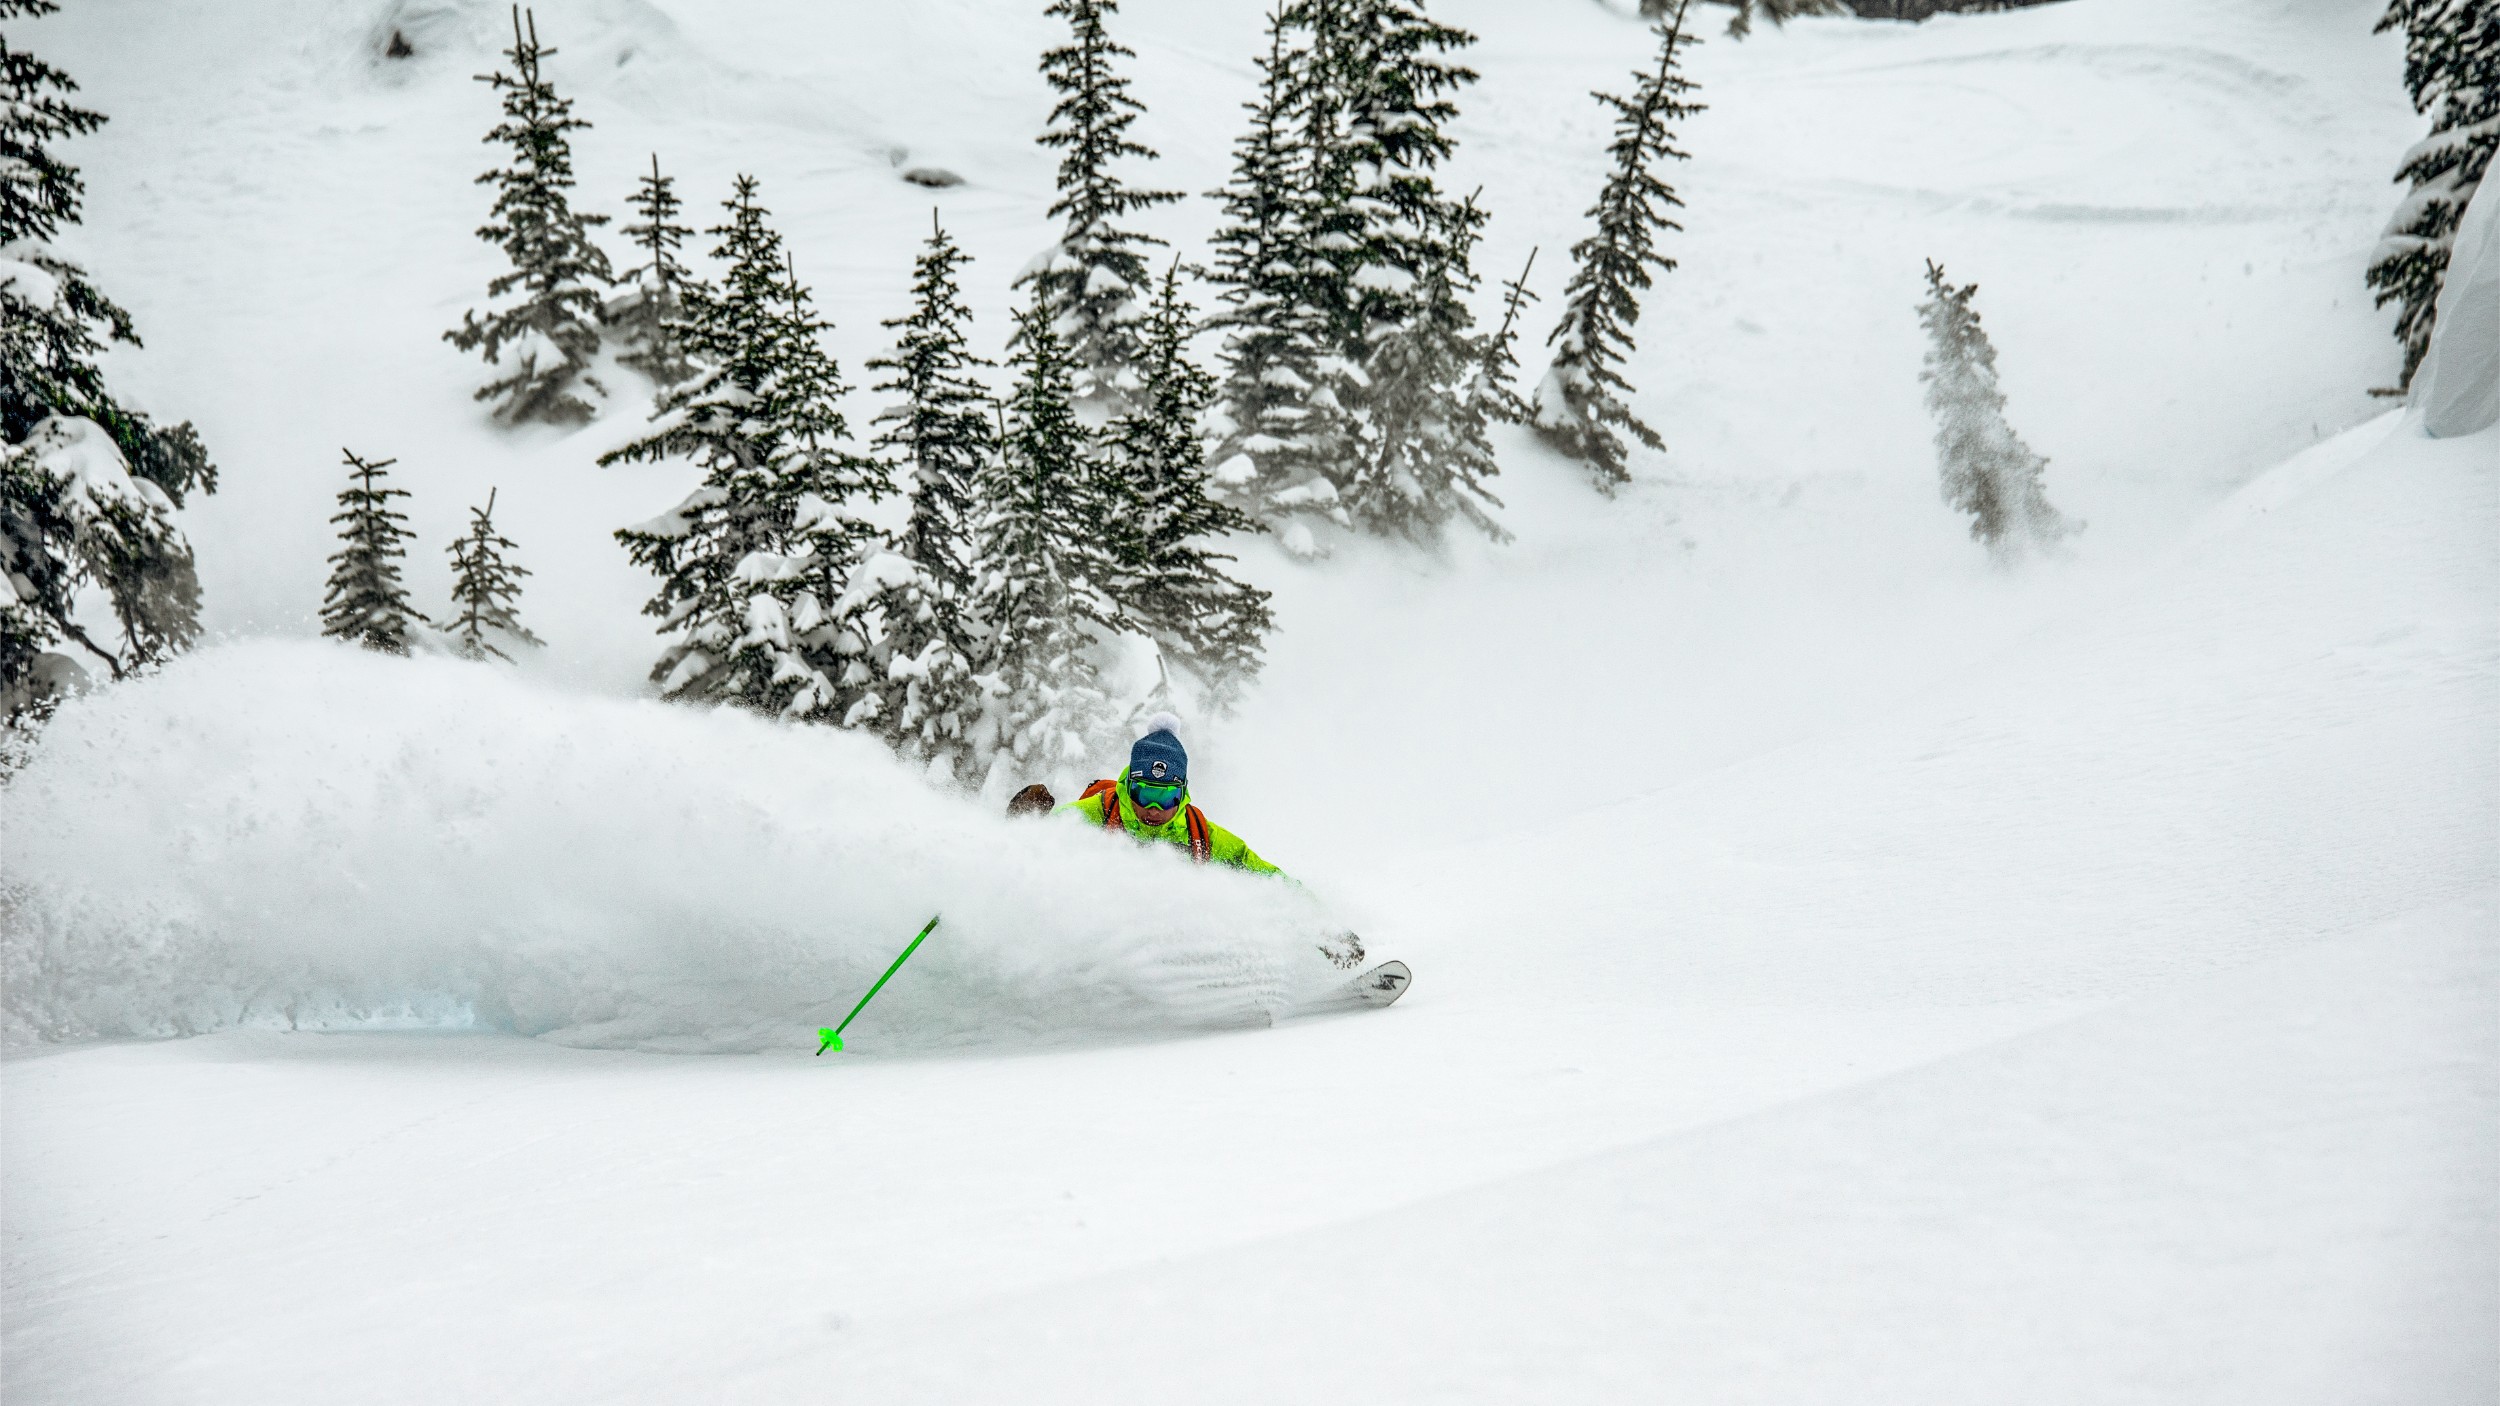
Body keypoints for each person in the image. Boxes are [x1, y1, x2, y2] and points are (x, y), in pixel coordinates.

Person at [1058, 715, 1281, 876]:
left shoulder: (1199, 834)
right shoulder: (1098, 813)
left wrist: (1307, 913)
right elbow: (1039, 836)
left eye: (1166, 798)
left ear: (1182, 794)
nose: (1153, 808)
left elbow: (1261, 872)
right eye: (1144, 794)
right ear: (1129, 787)